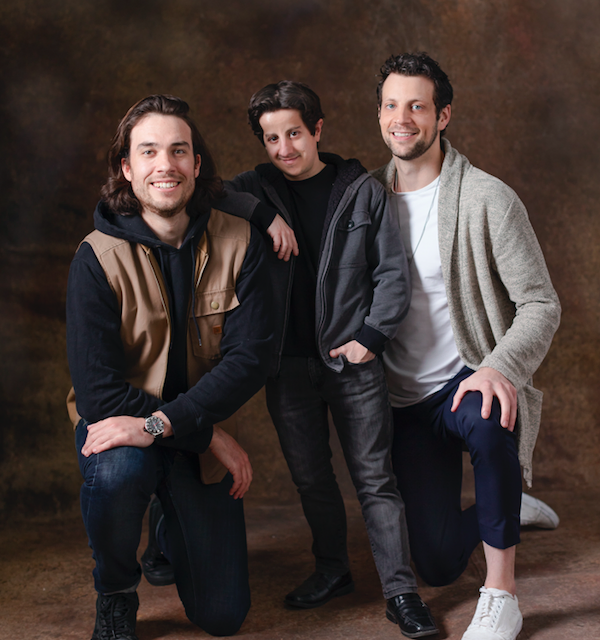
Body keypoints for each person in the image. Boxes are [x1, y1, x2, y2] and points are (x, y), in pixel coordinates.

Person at [225, 80, 438, 639]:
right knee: (311, 479)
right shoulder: (256, 187)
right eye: (272, 138)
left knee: (375, 479)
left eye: (294, 133)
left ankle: (401, 593)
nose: (284, 148)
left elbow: (393, 275)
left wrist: (370, 337)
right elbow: (206, 194)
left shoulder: (363, 191)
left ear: (317, 129)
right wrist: (262, 215)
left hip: (354, 364)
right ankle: (333, 570)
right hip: (287, 368)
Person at [66, 94, 273, 640]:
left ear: (196, 164)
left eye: (179, 151)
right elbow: (98, 394)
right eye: (149, 151)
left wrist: (168, 425)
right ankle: (115, 592)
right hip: (124, 432)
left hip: (183, 428)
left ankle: (166, 528)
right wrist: (205, 434)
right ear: (126, 168)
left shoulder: (241, 242)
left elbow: (251, 360)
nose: (166, 165)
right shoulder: (96, 257)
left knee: (222, 617)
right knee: (117, 473)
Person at [371, 53, 561, 640]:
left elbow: (541, 302)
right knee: (434, 564)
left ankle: (502, 594)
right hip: (403, 400)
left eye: (417, 106)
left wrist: (498, 366)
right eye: (391, 105)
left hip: (465, 376)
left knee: (490, 413)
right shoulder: (364, 199)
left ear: (443, 115)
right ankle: (508, 508)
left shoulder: (487, 198)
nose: (402, 119)